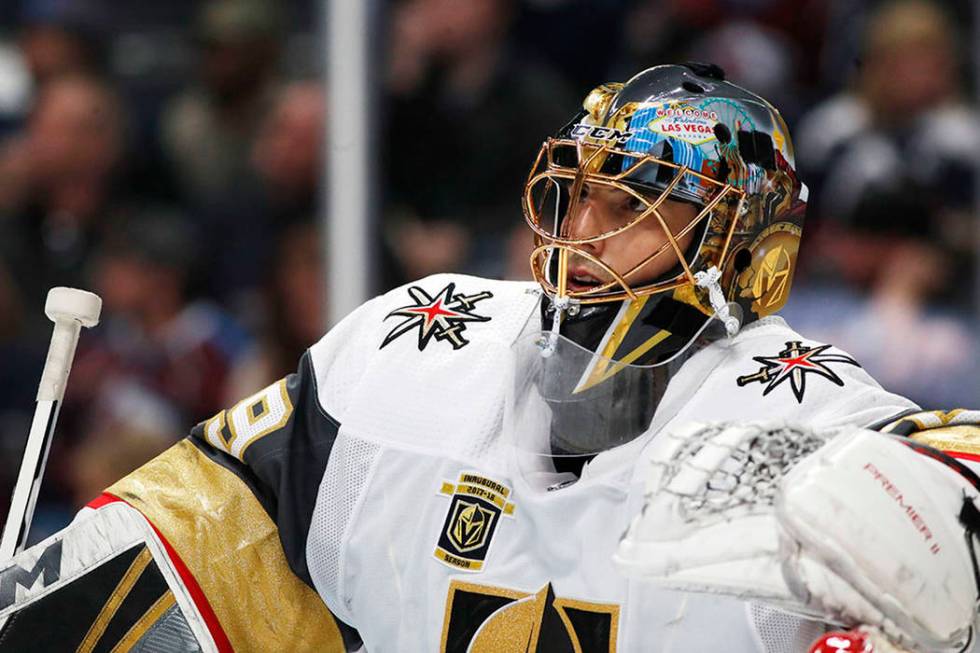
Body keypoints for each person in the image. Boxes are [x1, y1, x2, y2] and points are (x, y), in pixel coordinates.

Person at [1, 63, 978, 652]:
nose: (586, 229)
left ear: (749, 256)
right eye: (582, 191)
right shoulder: (415, 345)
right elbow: (189, 544)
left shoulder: (805, 418)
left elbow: (944, 479)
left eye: (642, 203)